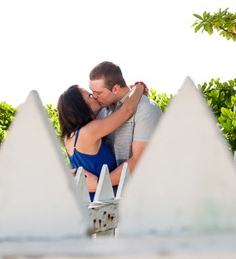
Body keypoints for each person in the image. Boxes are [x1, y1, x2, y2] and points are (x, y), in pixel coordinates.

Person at [57, 82, 146, 200]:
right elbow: (127, 110)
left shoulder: (70, 136)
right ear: (81, 106)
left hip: (86, 202)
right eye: (89, 96)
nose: (94, 96)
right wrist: (139, 87)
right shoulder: (88, 132)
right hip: (100, 204)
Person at [88, 61, 162, 189]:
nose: (94, 96)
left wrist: (99, 184)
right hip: (110, 197)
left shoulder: (146, 109)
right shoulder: (102, 112)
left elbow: (140, 160)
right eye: (92, 92)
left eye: (98, 93)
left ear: (115, 89)